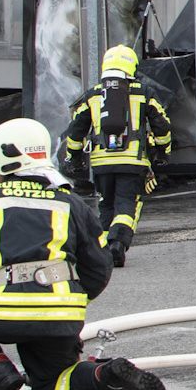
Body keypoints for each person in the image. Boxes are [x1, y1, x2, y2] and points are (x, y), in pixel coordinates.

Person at [0, 118, 167, 390]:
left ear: (9, 157)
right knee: (51, 386)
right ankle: (103, 376)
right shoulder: (72, 203)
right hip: (62, 313)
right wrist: (66, 301)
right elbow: (99, 267)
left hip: (3, 312)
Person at [61, 44, 172, 266]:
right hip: (132, 162)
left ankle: (101, 249)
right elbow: (162, 125)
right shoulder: (143, 92)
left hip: (101, 164)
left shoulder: (93, 94)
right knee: (127, 204)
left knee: (106, 204)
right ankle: (118, 244)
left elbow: (76, 130)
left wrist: (73, 157)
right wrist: (162, 151)